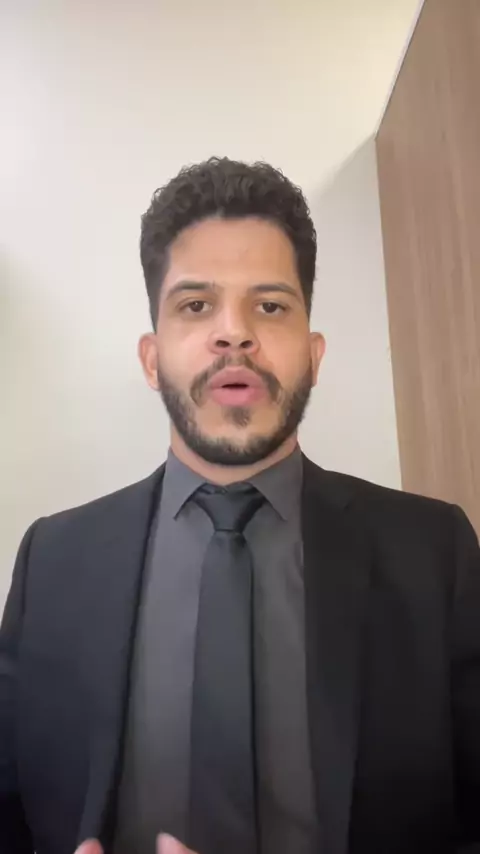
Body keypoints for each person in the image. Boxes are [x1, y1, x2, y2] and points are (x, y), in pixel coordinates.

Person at [1, 157, 480, 854]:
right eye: (196, 305)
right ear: (151, 358)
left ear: (314, 355)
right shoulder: (53, 563)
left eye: (270, 305)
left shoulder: (435, 554)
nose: (234, 333)